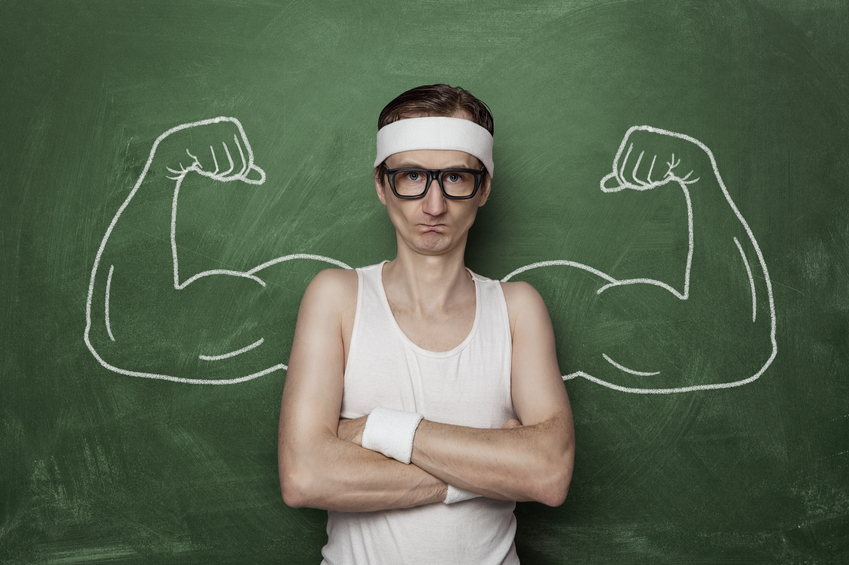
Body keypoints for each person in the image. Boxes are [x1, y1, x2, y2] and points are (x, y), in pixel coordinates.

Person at [278, 84, 575, 564]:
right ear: (381, 183)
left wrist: (376, 428)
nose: (434, 205)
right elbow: (306, 476)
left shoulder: (517, 309)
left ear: (483, 187)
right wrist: (490, 469)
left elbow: (548, 473)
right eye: (412, 175)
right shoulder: (337, 298)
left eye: (455, 177)